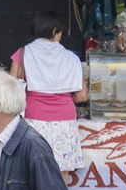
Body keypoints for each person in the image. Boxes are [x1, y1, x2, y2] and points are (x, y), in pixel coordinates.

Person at [10, 10, 87, 176]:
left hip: (32, 121)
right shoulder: (71, 58)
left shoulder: (22, 54)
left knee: (31, 173)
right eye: (60, 31)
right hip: (64, 123)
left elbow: (11, 90)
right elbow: (82, 96)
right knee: (61, 174)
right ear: (54, 32)